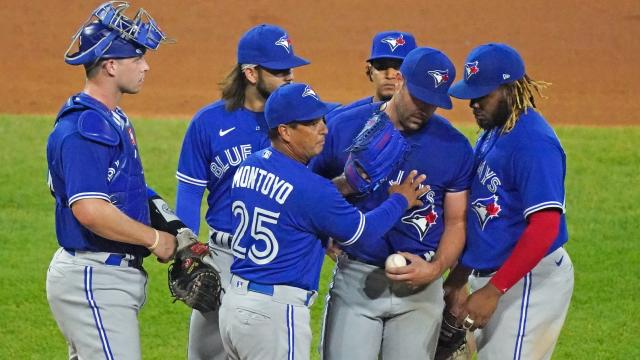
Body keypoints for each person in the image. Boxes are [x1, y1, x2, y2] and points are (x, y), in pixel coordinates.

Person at [218, 82, 429, 360]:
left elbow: (292, 202)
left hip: (235, 307)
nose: (324, 129)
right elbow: (362, 233)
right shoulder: (312, 189)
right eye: (311, 123)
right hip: (274, 317)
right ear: (285, 131)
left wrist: (341, 186)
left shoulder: (249, 165)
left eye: (322, 119)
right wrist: (401, 199)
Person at [313, 47, 475, 360]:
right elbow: (307, 193)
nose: (425, 109)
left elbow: (457, 221)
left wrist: (437, 269)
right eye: (419, 98)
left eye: (434, 103)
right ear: (400, 81)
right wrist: (343, 189)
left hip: (420, 289)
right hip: (356, 281)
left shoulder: (454, 146)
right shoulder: (345, 127)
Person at [46, 2, 175, 359]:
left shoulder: (109, 117)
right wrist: (153, 239)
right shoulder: (85, 129)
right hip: (95, 276)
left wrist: (172, 224)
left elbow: (124, 187)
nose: (146, 66)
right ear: (111, 65)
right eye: (137, 59)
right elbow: (90, 208)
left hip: (103, 275)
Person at [174, 24, 310, 360]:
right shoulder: (208, 123)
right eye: (279, 71)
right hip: (222, 256)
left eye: (290, 69)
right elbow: (189, 192)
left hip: (278, 259)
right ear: (250, 72)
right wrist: (188, 249)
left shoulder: (304, 124)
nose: (289, 77)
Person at [445, 43, 574, 360]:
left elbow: (545, 227)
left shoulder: (533, 143)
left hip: (528, 281)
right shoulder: (494, 130)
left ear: (509, 89)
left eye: (482, 95)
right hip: (498, 277)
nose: (472, 103)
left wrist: (493, 291)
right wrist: (461, 276)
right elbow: (484, 217)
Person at [327, 31, 417, 120]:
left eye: (399, 67)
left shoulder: (427, 127)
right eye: (381, 66)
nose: (389, 75)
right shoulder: (340, 120)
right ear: (370, 72)